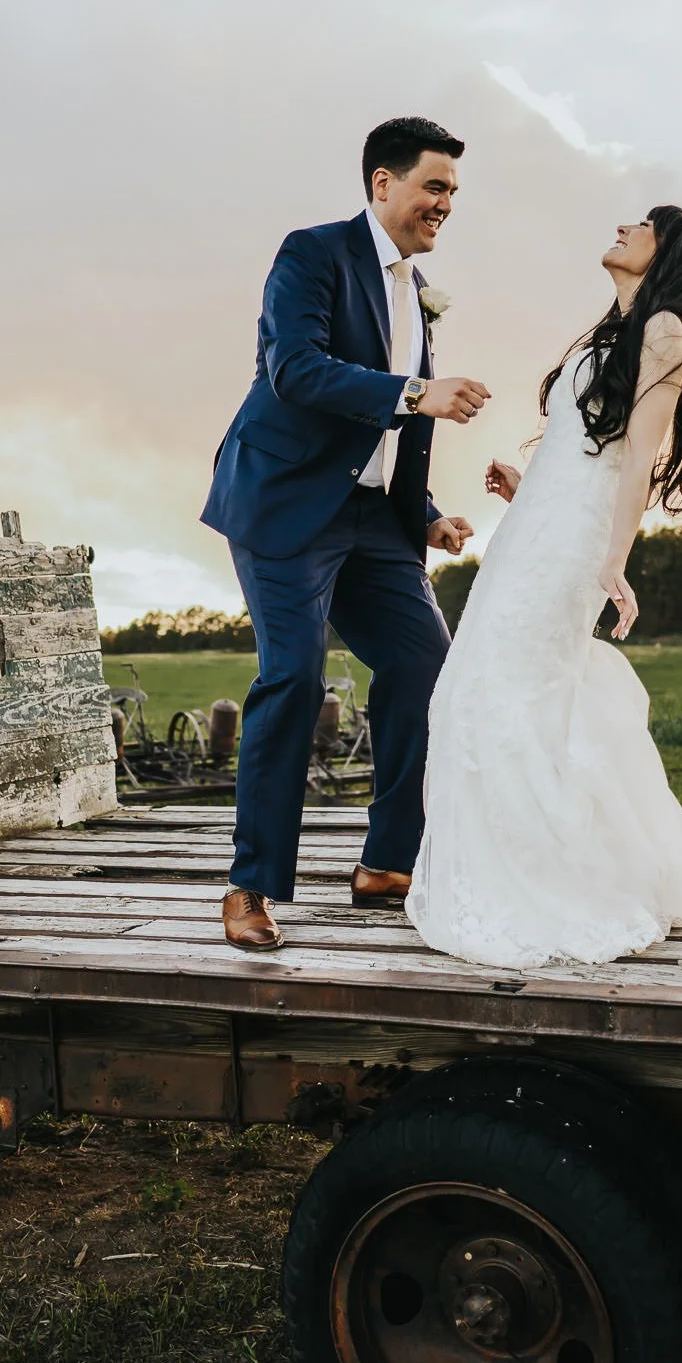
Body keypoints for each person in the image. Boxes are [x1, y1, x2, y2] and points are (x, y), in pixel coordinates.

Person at [200, 117, 493, 950]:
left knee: (424, 665)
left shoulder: (419, 293)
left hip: (374, 519)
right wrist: (415, 391)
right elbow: (295, 369)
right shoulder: (312, 254)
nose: (445, 204)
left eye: (453, 193)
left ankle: (387, 862)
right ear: (381, 183)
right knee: (292, 677)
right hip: (286, 502)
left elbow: (387, 428)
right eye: (434, 186)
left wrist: (427, 510)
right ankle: (250, 886)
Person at [406, 205, 682, 968]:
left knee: (506, 690)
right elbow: (589, 451)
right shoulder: (614, 332)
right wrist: (528, 486)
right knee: (484, 686)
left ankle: (551, 880)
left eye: (644, 224)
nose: (625, 226)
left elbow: (641, 459)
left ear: (668, 253)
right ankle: (507, 868)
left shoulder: (666, 331)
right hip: (536, 533)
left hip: (574, 547)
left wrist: (615, 557)